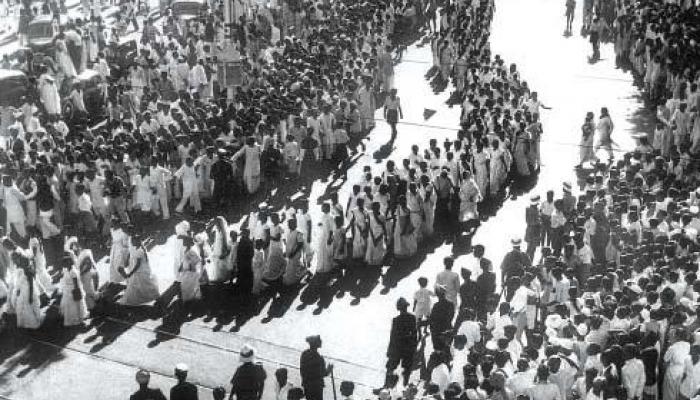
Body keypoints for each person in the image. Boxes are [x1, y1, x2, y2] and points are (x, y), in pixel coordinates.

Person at [120, 234, 160, 306]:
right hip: (139, 268)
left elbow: (138, 265)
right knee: (137, 283)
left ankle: (145, 296)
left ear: (137, 242)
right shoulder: (137, 248)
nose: (132, 243)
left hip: (141, 269)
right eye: (132, 241)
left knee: (140, 282)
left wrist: (131, 272)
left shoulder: (140, 251)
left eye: (133, 241)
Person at [386, 297, 418, 387]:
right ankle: (405, 386)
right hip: (408, 348)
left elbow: (393, 337)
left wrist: (389, 350)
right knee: (407, 369)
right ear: (406, 307)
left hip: (397, 347)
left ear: (399, 308)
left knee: (390, 367)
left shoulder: (396, 320)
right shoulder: (412, 317)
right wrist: (414, 348)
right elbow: (415, 334)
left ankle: (387, 385)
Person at [300, 335, 333, 400]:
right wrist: (329, 369)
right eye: (319, 341)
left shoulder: (305, 354)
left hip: (307, 385)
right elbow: (322, 373)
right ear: (316, 344)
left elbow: (303, 371)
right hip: (316, 387)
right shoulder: (319, 358)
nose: (321, 342)